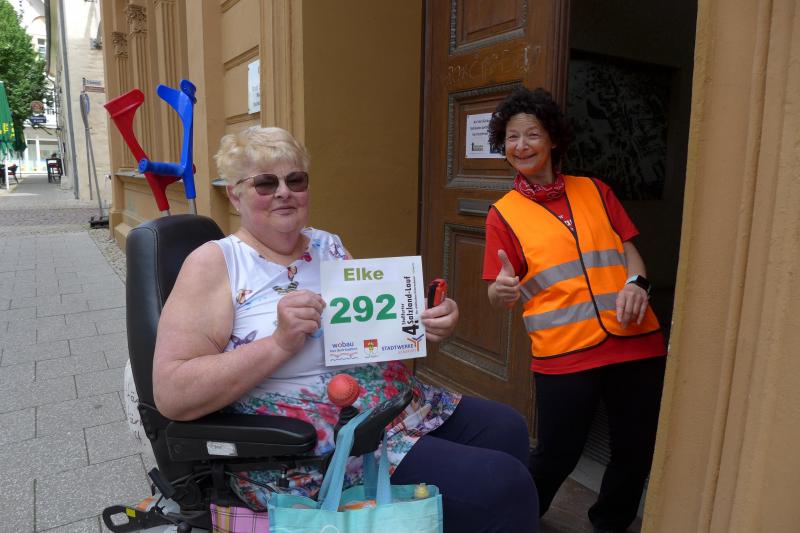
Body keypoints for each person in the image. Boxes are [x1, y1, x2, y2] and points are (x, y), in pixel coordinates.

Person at [152, 126, 539, 532]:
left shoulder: (327, 245)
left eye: (295, 180)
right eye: (265, 183)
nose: (284, 192)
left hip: (388, 407)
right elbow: (172, 393)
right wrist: (279, 344)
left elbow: (374, 329)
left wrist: (425, 322)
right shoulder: (215, 264)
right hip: (316, 447)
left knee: (507, 428)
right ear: (235, 195)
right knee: (503, 486)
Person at [483, 87, 667, 533]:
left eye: (532, 134)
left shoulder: (596, 191)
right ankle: (514, 520)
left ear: (552, 139)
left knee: (634, 448)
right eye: (511, 137)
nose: (521, 145)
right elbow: (497, 291)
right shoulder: (503, 214)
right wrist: (502, 291)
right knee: (558, 454)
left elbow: (629, 251)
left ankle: (609, 523)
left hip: (635, 339)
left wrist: (637, 283)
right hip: (564, 351)